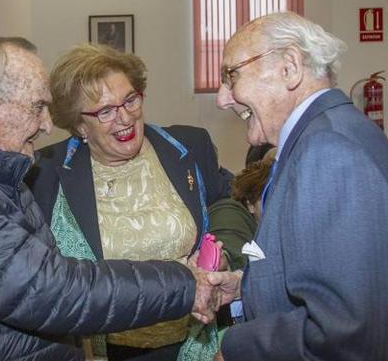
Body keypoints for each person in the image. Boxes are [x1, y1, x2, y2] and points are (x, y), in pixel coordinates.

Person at [0, 36, 239, 361]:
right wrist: (185, 284)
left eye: (130, 100)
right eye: (36, 107)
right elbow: (49, 288)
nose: (46, 124)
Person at [214, 12, 388, 360]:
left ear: (289, 67)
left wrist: (235, 349)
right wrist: (246, 286)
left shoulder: (328, 151)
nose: (222, 98)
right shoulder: (329, 134)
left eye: (232, 75)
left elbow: (346, 334)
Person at [26, 43, 248, 361]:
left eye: (130, 100)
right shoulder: (44, 172)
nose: (125, 117)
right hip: (105, 350)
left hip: (196, 344)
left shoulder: (188, 145)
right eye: (105, 111)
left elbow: (227, 203)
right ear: (78, 125)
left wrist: (224, 251)